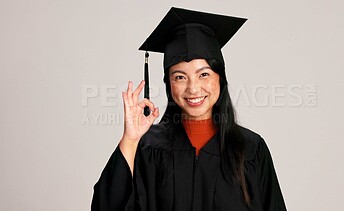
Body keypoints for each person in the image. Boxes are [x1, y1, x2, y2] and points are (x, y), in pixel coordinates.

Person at [91, 7, 287, 211]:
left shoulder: (251, 150)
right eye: (180, 77)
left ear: (220, 79)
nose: (193, 88)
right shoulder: (149, 148)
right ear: (168, 84)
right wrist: (130, 140)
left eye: (204, 74)